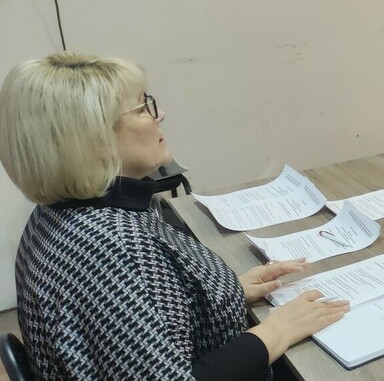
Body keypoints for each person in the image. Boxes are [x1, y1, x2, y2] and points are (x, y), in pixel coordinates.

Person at [0, 53, 348, 379]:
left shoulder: (59, 213)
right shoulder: (107, 248)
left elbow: (136, 321)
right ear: (93, 139)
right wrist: (277, 331)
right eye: (142, 107)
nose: (160, 114)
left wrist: (220, 296)